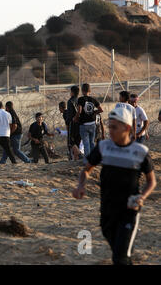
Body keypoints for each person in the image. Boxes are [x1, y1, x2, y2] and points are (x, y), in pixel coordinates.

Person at [72, 107, 156, 265]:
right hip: (107, 210)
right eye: (109, 126)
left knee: (120, 257)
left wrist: (141, 197)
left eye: (114, 127)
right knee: (121, 255)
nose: (110, 131)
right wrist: (81, 186)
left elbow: (151, 181)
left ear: (127, 128)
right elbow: (86, 170)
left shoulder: (140, 151)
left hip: (129, 211)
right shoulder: (104, 147)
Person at [74, 83, 103, 158]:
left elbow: (79, 111)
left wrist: (76, 118)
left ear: (82, 91)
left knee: (86, 143)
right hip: (92, 124)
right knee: (92, 142)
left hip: (84, 124)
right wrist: (94, 112)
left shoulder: (80, 99)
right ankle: (93, 159)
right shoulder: (93, 99)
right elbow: (101, 109)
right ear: (89, 90)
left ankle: (87, 160)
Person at [67, 86, 81, 160]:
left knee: (71, 142)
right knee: (77, 142)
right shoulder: (79, 100)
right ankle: (76, 159)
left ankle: (79, 154)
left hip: (72, 124)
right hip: (80, 124)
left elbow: (70, 115)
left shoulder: (70, 101)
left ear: (72, 92)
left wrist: (68, 122)